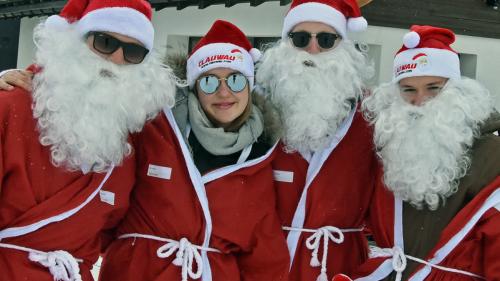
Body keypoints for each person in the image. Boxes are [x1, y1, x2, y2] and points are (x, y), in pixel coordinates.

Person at [97, 20, 290, 281]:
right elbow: (91, 99)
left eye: (235, 79)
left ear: (249, 85)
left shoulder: (262, 153)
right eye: (209, 81)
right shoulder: (153, 126)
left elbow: (264, 256)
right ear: (195, 87)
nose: (224, 92)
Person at [0, 0, 176, 279]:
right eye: (105, 42)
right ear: (70, 41)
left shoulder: (125, 139)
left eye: (133, 52)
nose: (117, 59)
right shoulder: (8, 107)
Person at [352, 25, 500, 280]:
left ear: (456, 90)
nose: (420, 101)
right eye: (409, 89)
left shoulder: (491, 154)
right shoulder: (389, 145)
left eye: (433, 88)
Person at [255, 0, 377, 280]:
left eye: (326, 39)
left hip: (338, 265)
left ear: (343, 45)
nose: (312, 49)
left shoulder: (370, 116)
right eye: (300, 39)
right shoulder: (258, 108)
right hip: (269, 261)